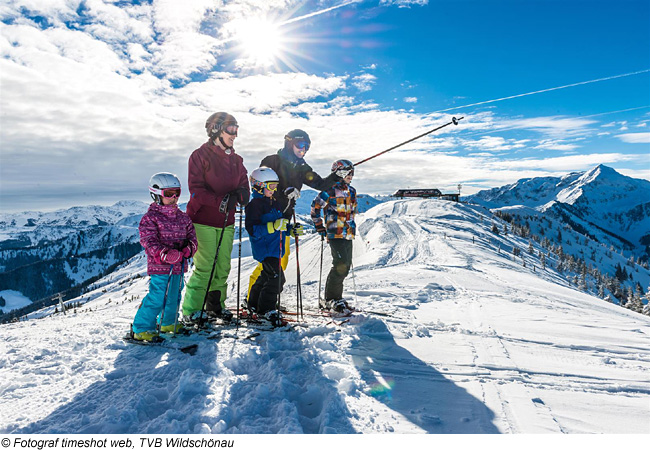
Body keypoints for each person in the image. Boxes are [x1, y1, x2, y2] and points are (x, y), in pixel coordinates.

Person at [247, 129, 352, 298]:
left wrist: (336, 176)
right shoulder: (272, 160)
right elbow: (260, 183)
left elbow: (321, 184)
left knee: (282, 259)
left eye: (307, 147)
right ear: (289, 143)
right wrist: (283, 192)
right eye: (300, 145)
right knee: (267, 261)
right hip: (267, 216)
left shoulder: (302, 167)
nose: (303, 150)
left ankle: (264, 299)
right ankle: (252, 299)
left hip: (284, 218)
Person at [182, 112, 250, 324]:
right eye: (230, 129)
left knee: (222, 266)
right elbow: (196, 190)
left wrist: (241, 195)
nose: (234, 134)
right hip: (202, 220)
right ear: (215, 130)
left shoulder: (236, 160)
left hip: (226, 221)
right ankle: (192, 310)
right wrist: (221, 201)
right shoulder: (199, 156)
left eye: (236, 129)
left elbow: (244, 185)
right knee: (205, 267)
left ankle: (215, 306)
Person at [131, 172, 198, 341]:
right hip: (160, 266)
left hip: (179, 265)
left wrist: (189, 249)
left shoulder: (183, 218)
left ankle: (168, 322)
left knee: (175, 295)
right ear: (156, 194)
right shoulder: (151, 218)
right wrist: (165, 254)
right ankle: (142, 327)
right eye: (169, 194)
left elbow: (192, 237)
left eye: (177, 192)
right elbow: (148, 241)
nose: (174, 197)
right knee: (158, 296)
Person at [245, 167, 302, 326]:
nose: (274, 189)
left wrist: (291, 229)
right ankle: (266, 310)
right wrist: (273, 226)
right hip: (265, 248)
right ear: (258, 185)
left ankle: (254, 305)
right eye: (271, 186)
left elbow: (280, 226)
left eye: (275, 186)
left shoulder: (274, 203)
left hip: (275, 248)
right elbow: (253, 230)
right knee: (277, 279)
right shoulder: (254, 205)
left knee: (266, 276)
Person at [311, 160, 357, 313]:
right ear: (339, 173)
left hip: (348, 233)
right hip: (334, 233)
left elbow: (352, 211)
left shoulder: (352, 191)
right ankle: (331, 299)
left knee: (346, 265)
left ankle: (337, 297)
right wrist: (320, 226)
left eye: (352, 172)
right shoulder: (329, 190)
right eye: (348, 172)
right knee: (340, 263)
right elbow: (315, 208)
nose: (351, 175)